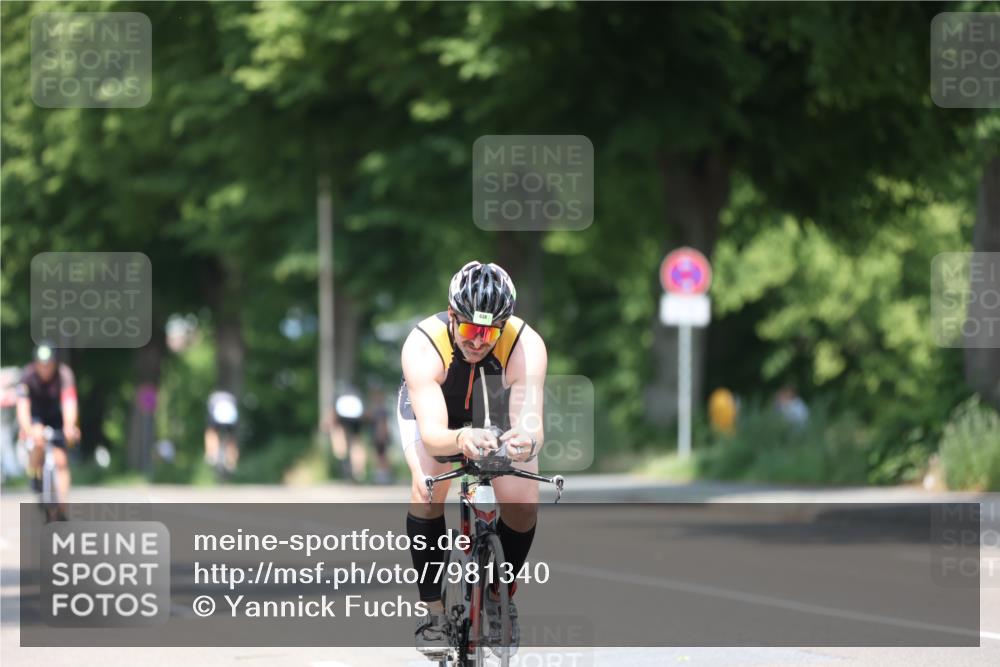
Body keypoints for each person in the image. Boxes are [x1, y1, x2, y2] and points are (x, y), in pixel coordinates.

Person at [398, 261, 547, 657]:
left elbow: (532, 427)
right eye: (469, 329)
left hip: (494, 408)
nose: (478, 341)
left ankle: (499, 594)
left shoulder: (525, 345)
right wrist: (462, 437)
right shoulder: (423, 345)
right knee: (428, 487)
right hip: (440, 414)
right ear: (452, 316)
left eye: (489, 332)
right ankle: (434, 612)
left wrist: (524, 443)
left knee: (523, 500)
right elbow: (432, 437)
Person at [16, 342, 80, 516]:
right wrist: (27, 428)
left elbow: (69, 403)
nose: (45, 368)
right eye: (41, 364)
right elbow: (22, 408)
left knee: (61, 460)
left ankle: (62, 507)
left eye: (49, 364)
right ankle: (34, 473)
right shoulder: (27, 376)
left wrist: (69, 426)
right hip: (35, 416)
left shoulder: (64, 374)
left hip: (56, 416)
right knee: (38, 441)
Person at [204, 389, 240, 474]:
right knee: (232, 437)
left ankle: (211, 453)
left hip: (218, 414)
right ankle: (232, 460)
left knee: (211, 431)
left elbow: (210, 413)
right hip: (231, 416)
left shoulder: (212, 399)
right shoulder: (231, 398)